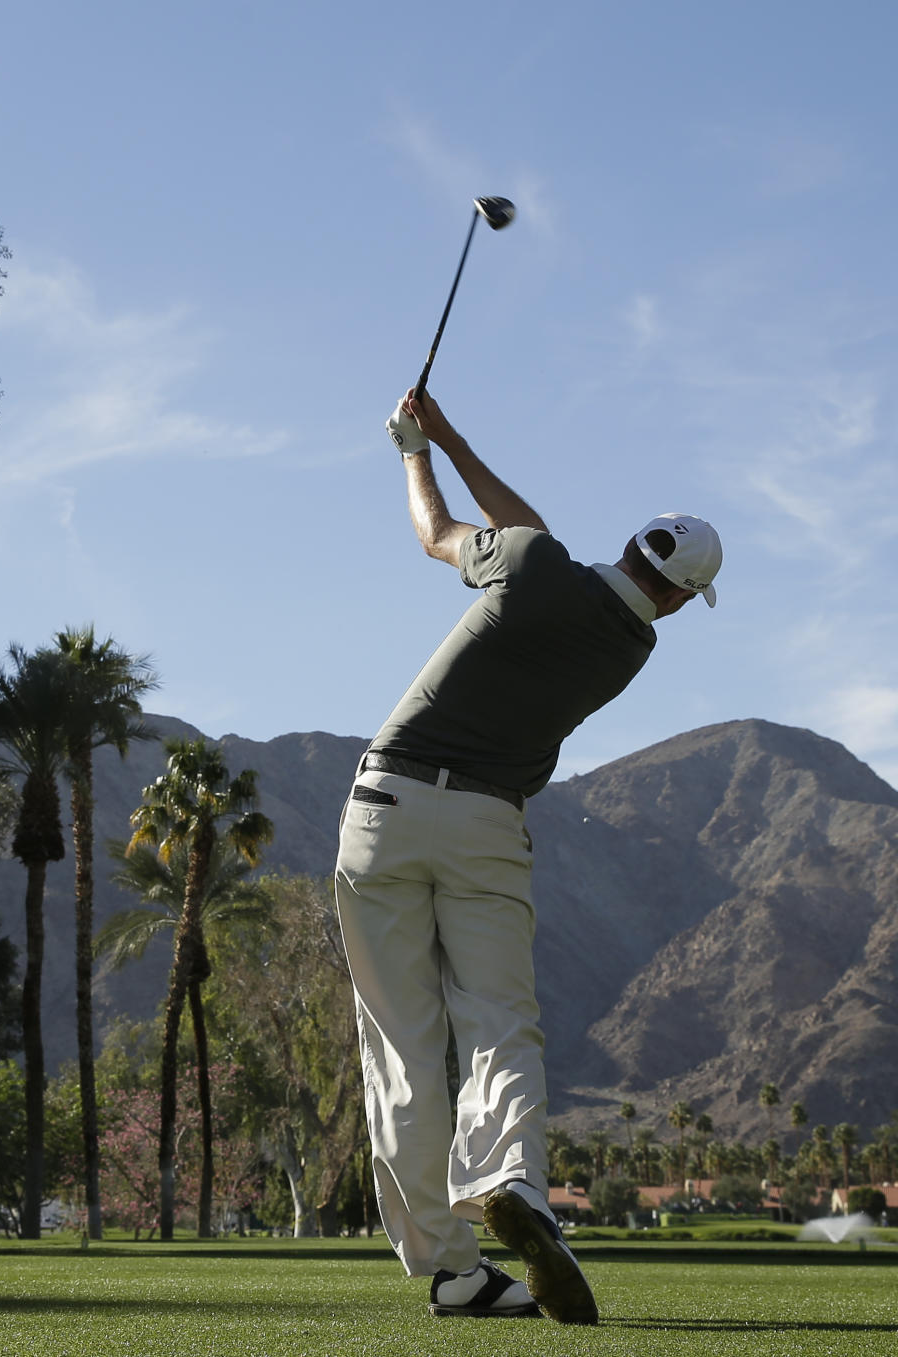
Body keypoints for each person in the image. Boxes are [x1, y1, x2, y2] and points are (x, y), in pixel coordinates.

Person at [334, 388, 722, 1324]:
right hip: (485, 827)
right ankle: (513, 1180)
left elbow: (439, 534)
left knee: (403, 1048)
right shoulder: (631, 646)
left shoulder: (538, 563)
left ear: (632, 545)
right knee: (501, 1021)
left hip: (383, 807)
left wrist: (412, 450)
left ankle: (450, 1267)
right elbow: (535, 539)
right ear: (673, 596)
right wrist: (450, 433)